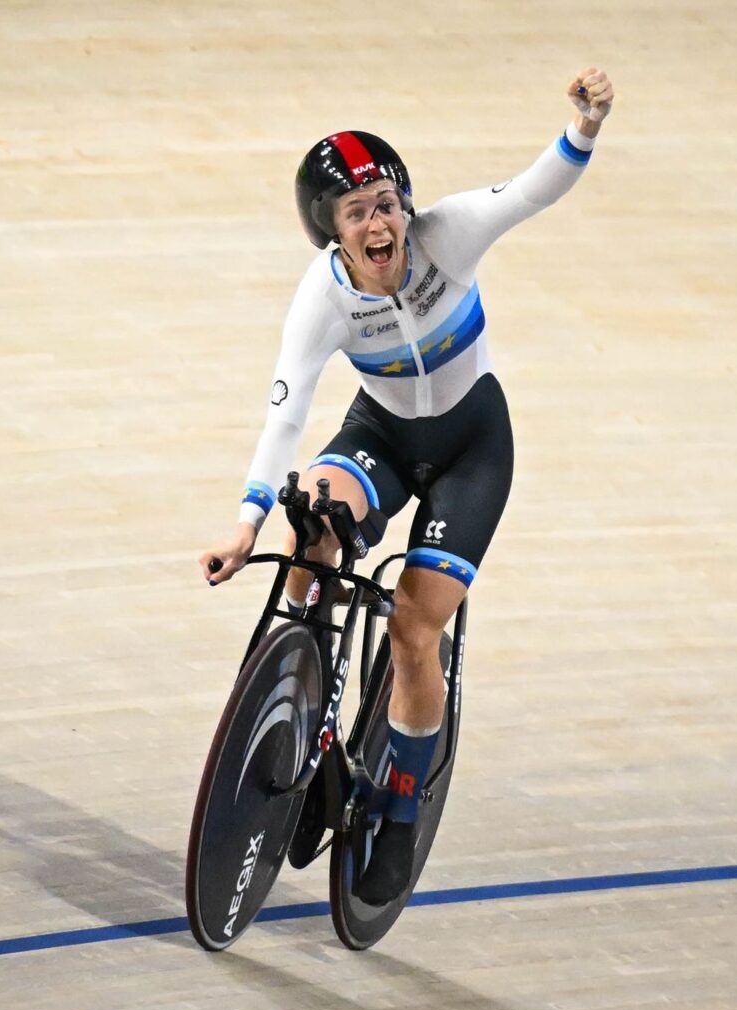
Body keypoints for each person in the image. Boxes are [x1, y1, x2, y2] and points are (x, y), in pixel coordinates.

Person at [199, 68, 615, 904]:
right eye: (357, 212)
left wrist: (584, 128)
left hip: (472, 451)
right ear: (331, 232)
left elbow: (532, 191)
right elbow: (286, 413)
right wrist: (247, 520)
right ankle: (305, 710)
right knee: (311, 523)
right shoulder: (323, 298)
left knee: (414, 632)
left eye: (387, 203)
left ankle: (397, 807)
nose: (379, 222)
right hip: (382, 436)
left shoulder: (447, 236)